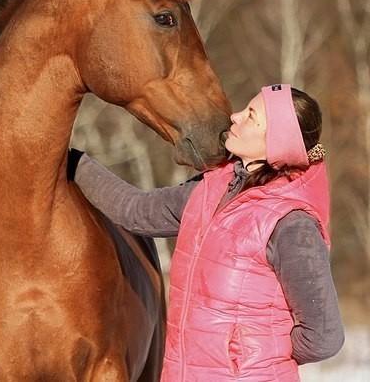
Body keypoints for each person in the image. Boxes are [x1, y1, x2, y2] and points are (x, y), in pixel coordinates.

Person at [67, 84, 344, 381]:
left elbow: (324, 336)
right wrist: (71, 160)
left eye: (251, 116)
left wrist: (255, 354)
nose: (235, 117)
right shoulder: (209, 189)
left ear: (277, 140)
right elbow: (134, 210)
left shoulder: (292, 224)